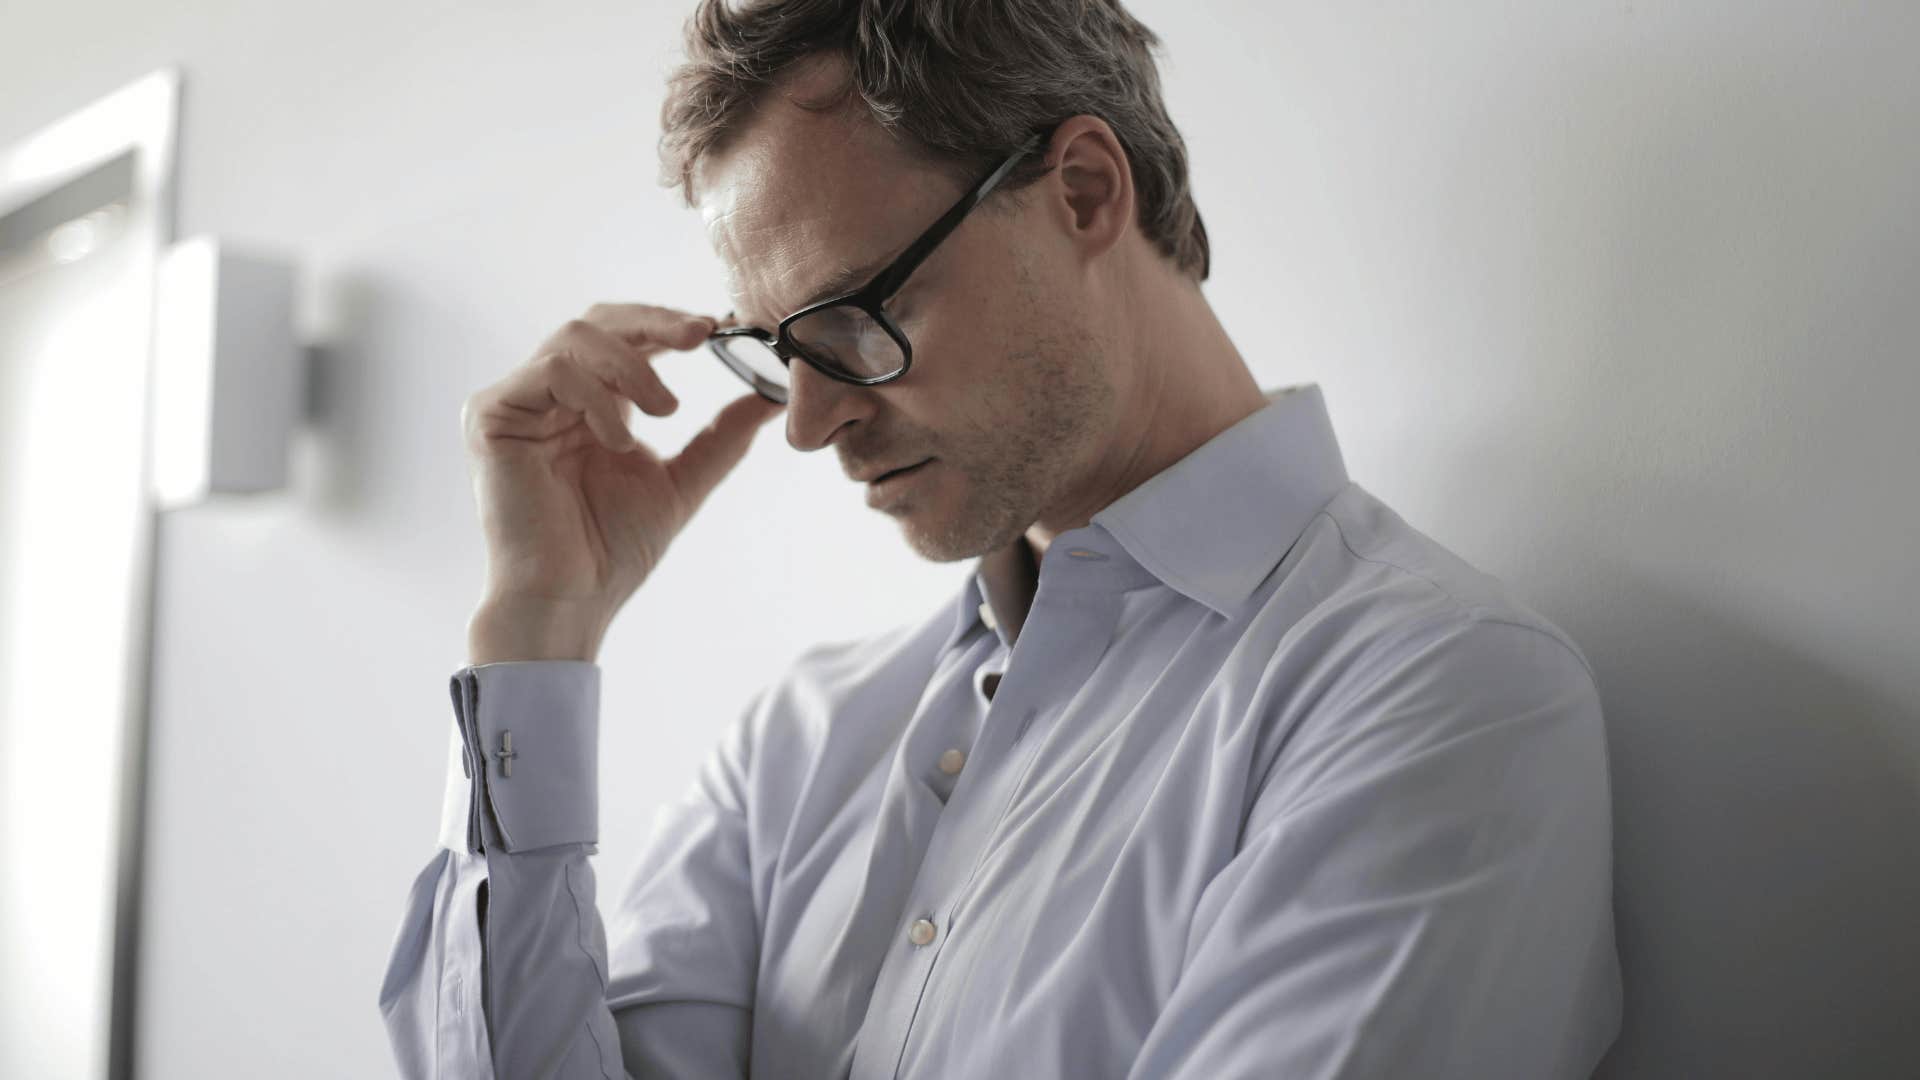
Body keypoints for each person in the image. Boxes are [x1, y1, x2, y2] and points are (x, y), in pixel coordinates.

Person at [378, 1, 1624, 1076]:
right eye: (777, 350)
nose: (810, 424)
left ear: (1083, 190)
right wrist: (538, 635)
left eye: (861, 312)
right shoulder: (798, 747)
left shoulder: (1435, 699)